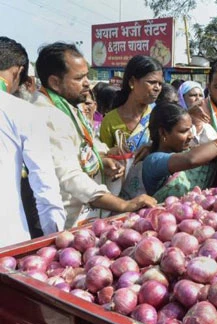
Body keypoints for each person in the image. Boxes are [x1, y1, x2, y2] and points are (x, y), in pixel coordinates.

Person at [32, 42, 157, 228]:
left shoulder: (66, 105)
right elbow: (70, 177)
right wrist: (123, 204)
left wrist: (102, 157)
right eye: (80, 78)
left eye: (87, 76)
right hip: (65, 222)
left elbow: (83, 145)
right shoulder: (48, 115)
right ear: (55, 82)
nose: (87, 83)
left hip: (82, 213)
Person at [0, 36, 65, 245]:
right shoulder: (23, 112)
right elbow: (44, 183)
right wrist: (53, 240)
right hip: (6, 240)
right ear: (18, 72)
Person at [121, 102, 217, 201]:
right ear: (163, 132)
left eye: (190, 129)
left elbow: (211, 163)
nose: (191, 135)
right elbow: (190, 160)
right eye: (183, 131)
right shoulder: (153, 160)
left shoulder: (188, 151)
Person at [100, 55, 163, 153]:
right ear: (132, 82)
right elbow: (102, 157)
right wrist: (112, 152)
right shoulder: (110, 121)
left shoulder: (159, 115)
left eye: (160, 84)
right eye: (152, 82)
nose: (157, 88)